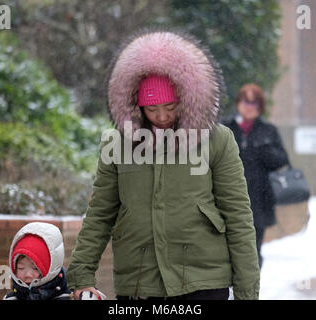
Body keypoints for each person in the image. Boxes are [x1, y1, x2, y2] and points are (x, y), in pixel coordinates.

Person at [67, 29, 260, 300]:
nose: (161, 116)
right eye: (151, 108)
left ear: (185, 98)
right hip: (139, 282)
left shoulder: (216, 140)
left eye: (170, 106)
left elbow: (238, 215)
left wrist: (247, 292)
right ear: (136, 105)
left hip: (202, 281)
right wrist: (81, 275)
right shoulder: (118, 144)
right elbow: (100, 213)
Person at [222, 83, 289, 268]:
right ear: (238, 102)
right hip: (228, 197)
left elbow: (282, 159)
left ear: (260, 106)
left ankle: (249, 289)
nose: (249, 106)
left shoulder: (268, 130)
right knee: (226, 248)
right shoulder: (225, 128)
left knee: (253, 250)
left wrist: (263, 150)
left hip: (258, 199)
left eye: (254, 102)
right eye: (246, 101)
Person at [4, 222, 71, 300]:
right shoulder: (11, 298)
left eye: (35, 268)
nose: (27, 275)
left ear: (50, 268)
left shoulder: (68, 296)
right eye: (20, 268)